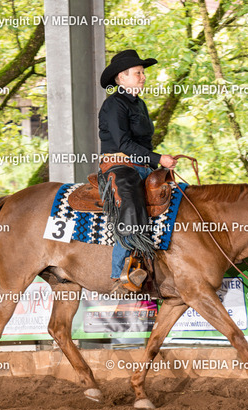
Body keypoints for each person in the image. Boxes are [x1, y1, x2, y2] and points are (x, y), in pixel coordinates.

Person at [97, 49, 177, 294]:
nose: (143, 77)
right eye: (138, 73)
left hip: (143, 166)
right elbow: (123, 144)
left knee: (176, 196)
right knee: (130, 204)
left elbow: (144, 142)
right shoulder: (113, 105)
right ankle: (120, 274)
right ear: (121, 78)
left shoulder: (139, 104)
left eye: (143, 73)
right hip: (119, 165)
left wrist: (155, 164)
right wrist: (158, 158)